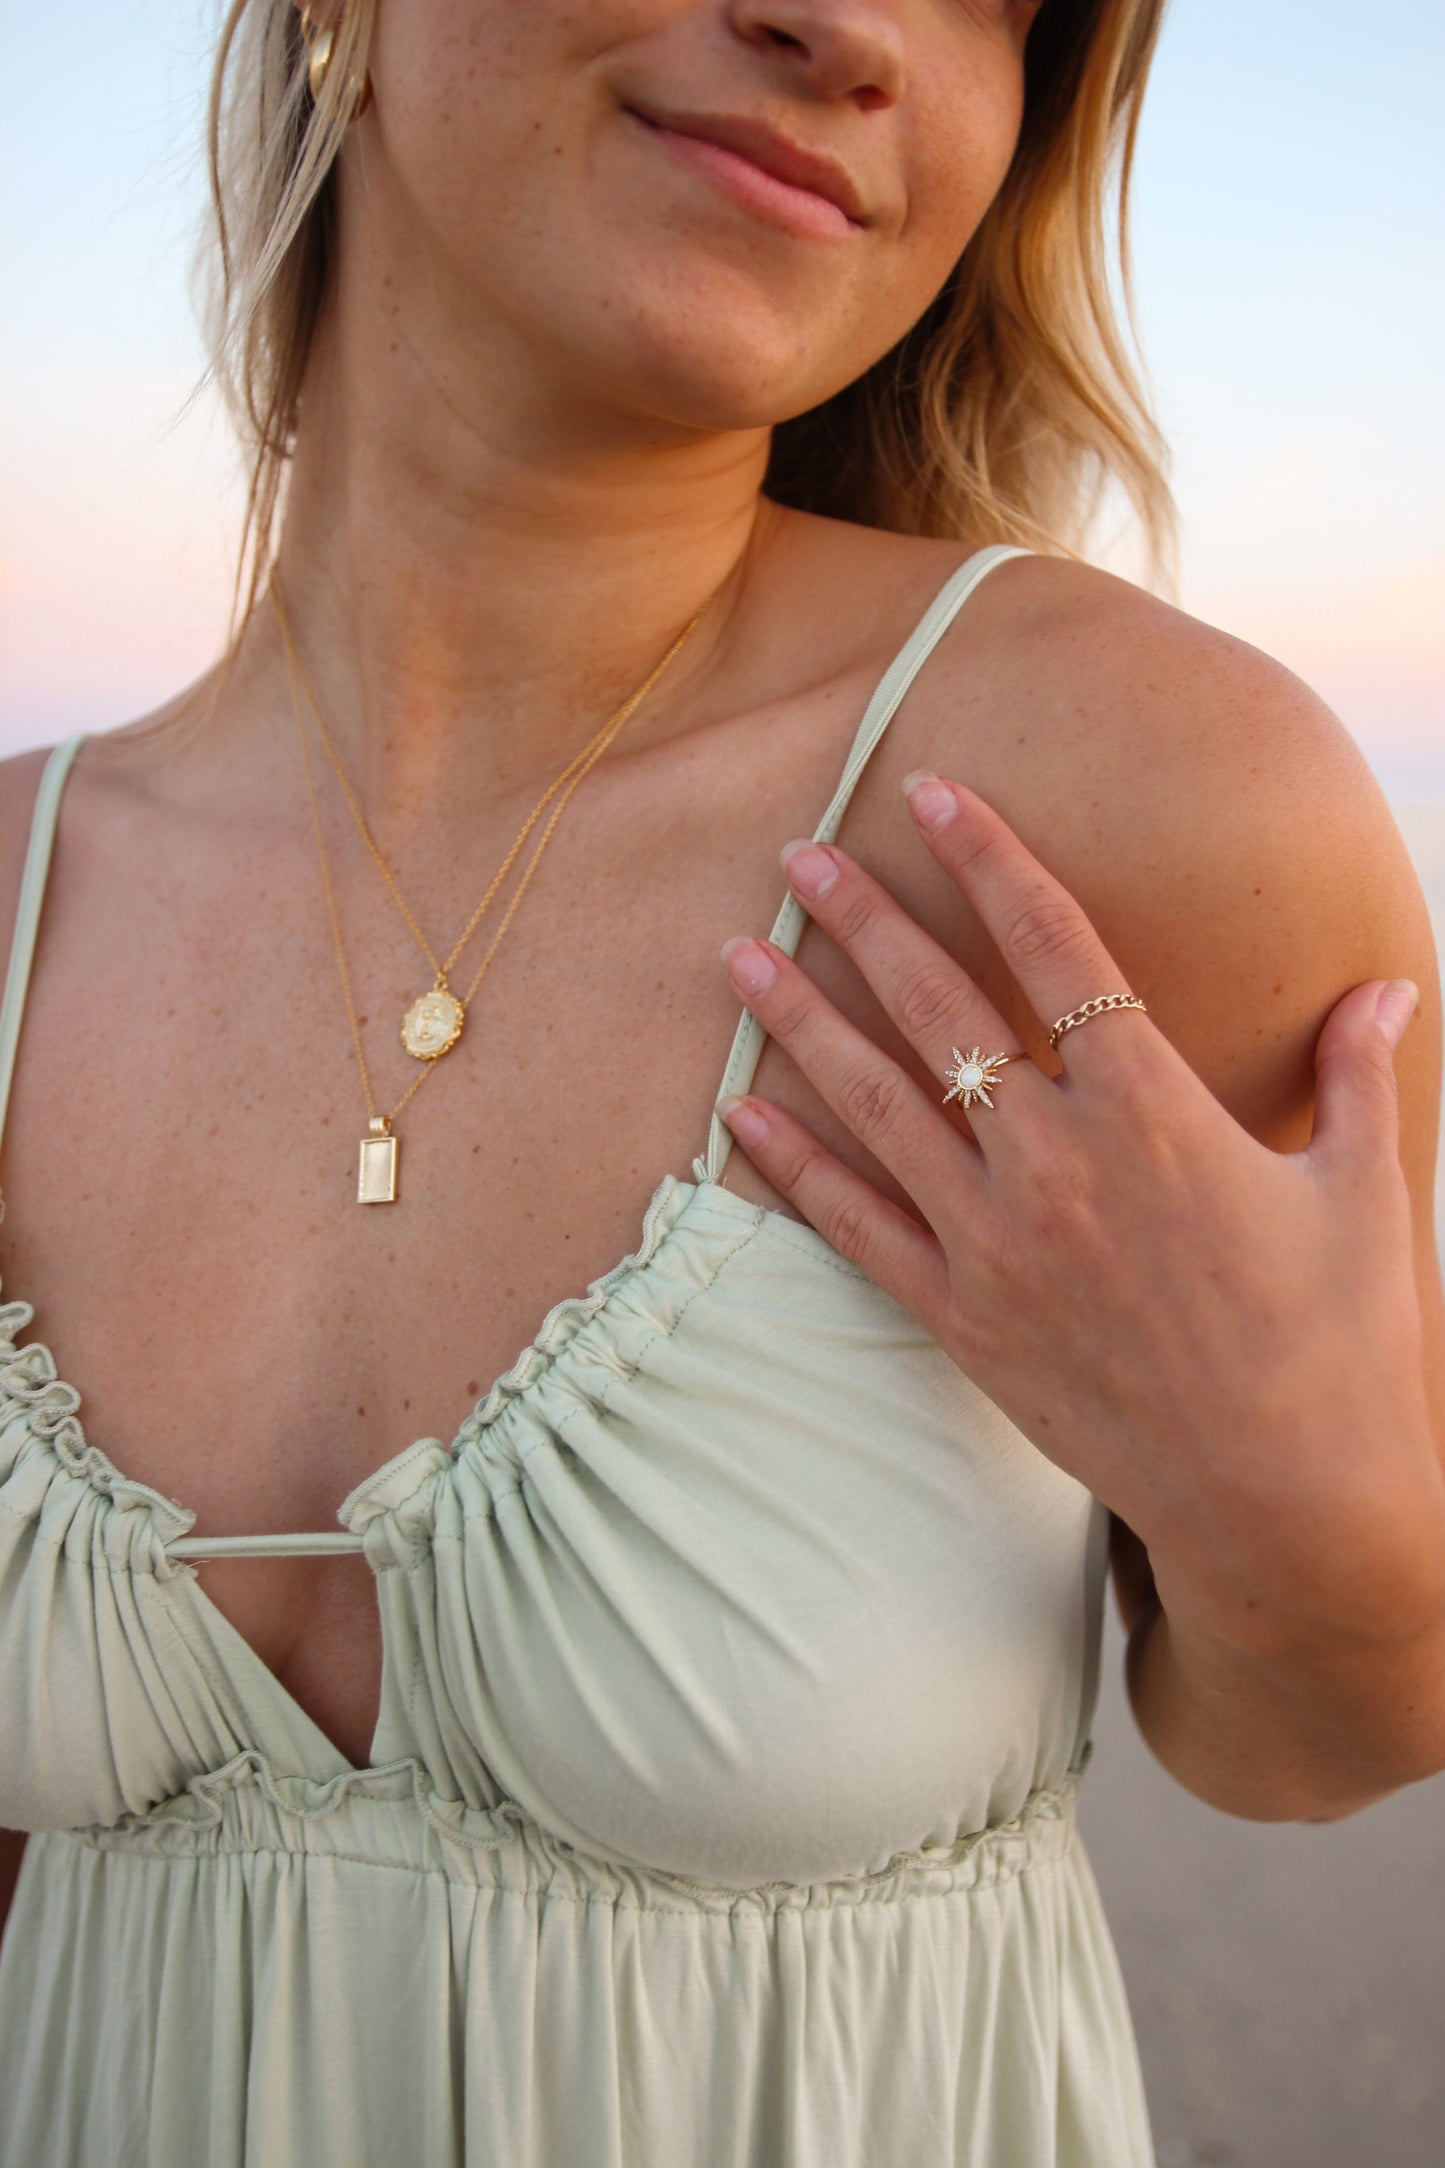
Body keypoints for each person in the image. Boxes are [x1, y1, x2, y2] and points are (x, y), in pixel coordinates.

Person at [1, 1, 1442, 2162]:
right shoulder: (19, 899)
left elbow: (1314, 1735)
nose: (849, 28)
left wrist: (1343, 1565)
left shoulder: (1118, 821)